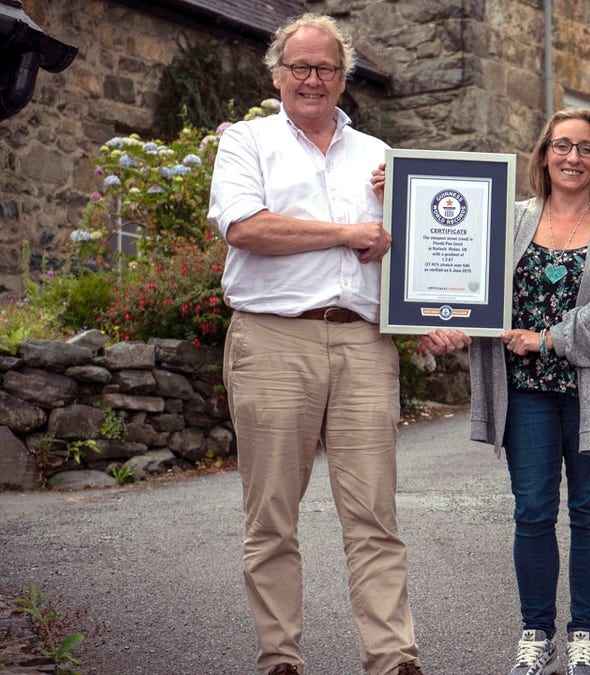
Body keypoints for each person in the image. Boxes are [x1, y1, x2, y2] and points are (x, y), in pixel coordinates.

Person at [206, 13, 424, 675]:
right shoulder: (247, 142)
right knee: (272, 512)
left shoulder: (381, 158)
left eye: (325, 67)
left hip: (363, 342)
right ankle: (281, 656)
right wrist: (345, 231)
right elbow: (244, 227)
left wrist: (409, 209)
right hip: (273, 339)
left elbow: (420, 250)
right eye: (299, 66)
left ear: (343, 77)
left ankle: (393, 657)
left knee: (374, 514)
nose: (311, 78)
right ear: (276, 75)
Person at [419, 108, 590, 675]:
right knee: (534, 513)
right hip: (526, 394)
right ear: (543, 154)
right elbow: (463, 277)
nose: (573, 157)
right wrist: (447, 323)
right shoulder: (508, 219)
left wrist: (546, 338)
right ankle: (536, 632)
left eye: (586, 149)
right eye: (562, 146)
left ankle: (584, 636)